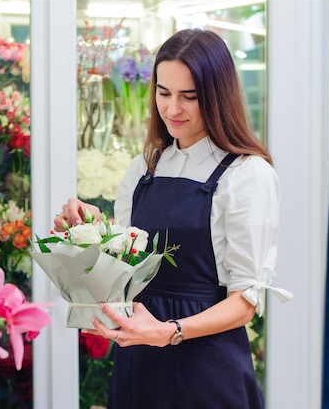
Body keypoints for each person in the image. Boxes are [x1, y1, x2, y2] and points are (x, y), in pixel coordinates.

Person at [54, 28, 291, 408]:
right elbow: (125, 271)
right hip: (139, 363)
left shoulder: (246, 174)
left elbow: (245, 301)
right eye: (163, 93)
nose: (172, 109)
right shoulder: (144, 167)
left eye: (188, 97)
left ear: (216, 96)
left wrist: (170, 332)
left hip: (207, 370)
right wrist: (91, 232)